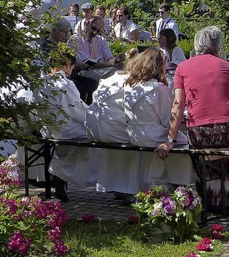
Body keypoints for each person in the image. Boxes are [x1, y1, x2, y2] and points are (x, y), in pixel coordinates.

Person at [155, 26, 229, 213]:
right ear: (217, 45)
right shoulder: (227, 66)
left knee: (203, 154)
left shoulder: (183, 67)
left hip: (202, 131)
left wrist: (170, 140)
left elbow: (178, 104)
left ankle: (211, 198)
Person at [123, 48, 194, 187]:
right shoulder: (159, 88)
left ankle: (164, 182)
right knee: (185, 143)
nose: (166, 67)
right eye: (164, 64)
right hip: (152, 134)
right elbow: (166, 119)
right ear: (158, 65)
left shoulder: (130, 86)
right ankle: (178, 183)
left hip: (135, 134)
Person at [84, 48, 149, 196]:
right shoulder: (133, 82)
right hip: (110, 127)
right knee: (141, 139)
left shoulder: (109, 79)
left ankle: (118, 185)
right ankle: (132, 187)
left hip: (94, 126)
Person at [36, 46, 97, 201]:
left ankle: (60, 178)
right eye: (71, 67)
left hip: (47, 129)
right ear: (67, 65)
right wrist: (95, 114)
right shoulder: (66, 84)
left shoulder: (40, 83)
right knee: (100, 138)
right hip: (66, 130)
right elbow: (78, 111)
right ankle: (112, 184)